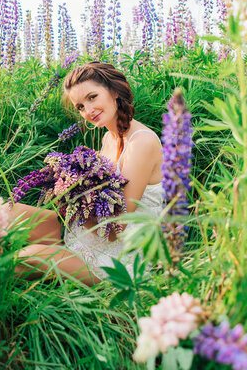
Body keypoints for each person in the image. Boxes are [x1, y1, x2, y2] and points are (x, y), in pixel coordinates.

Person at [13, 61, 164, 286]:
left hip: (120, 255)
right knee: (6, 213)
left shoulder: (141, 142)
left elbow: (116, 225)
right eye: (80, 106)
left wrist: (72, 195)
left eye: (92, 97)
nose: (88, 111)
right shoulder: (107, 138)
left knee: (27, 258)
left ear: (114, 91)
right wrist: (66, 185)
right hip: (86, 231)